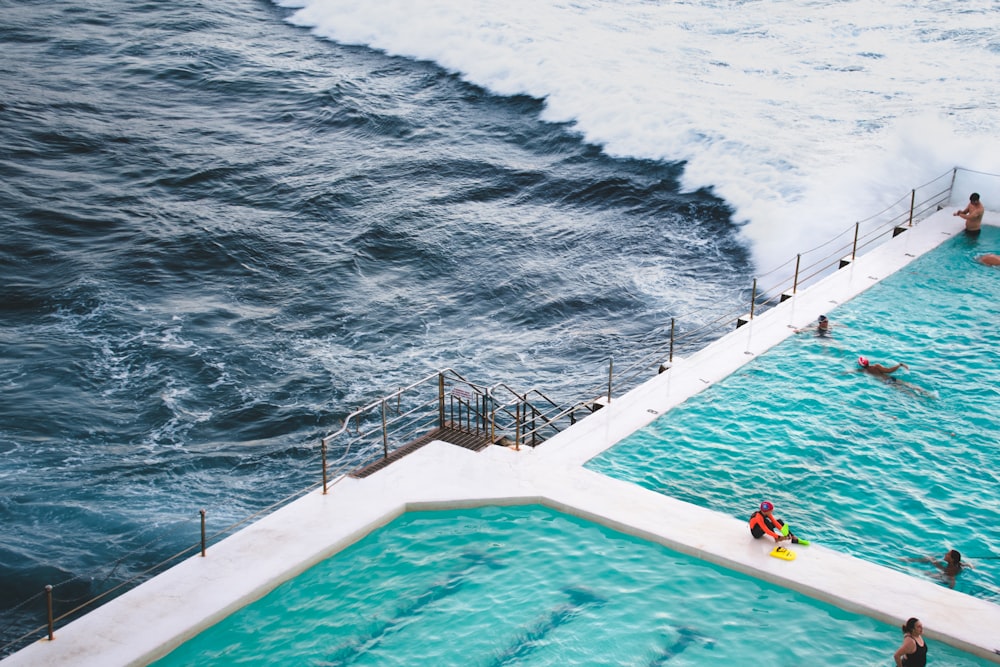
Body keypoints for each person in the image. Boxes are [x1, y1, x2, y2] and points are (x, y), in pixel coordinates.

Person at [905, 549, 973, 589]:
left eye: (947, 554)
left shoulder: (951, 570)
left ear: (952, 559)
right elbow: (965, 564)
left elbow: (952, 580)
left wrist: (949, 590)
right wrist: (970, 565)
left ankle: (907, 566)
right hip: (944, 572)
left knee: (926, 573)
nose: (945, 554)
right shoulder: (957, 563)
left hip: (943, 578)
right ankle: (910, 560)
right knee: (930, 559)